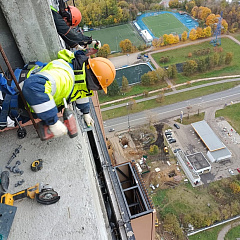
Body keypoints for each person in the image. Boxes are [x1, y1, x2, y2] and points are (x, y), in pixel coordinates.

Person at [0, 49, 116, 138]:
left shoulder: (79, 74)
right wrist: (53, 121)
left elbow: (81, 93)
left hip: (14, 97)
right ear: (95, 83)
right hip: (7, 99)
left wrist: (86, 112)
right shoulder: (64, 78)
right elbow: (33, 86)